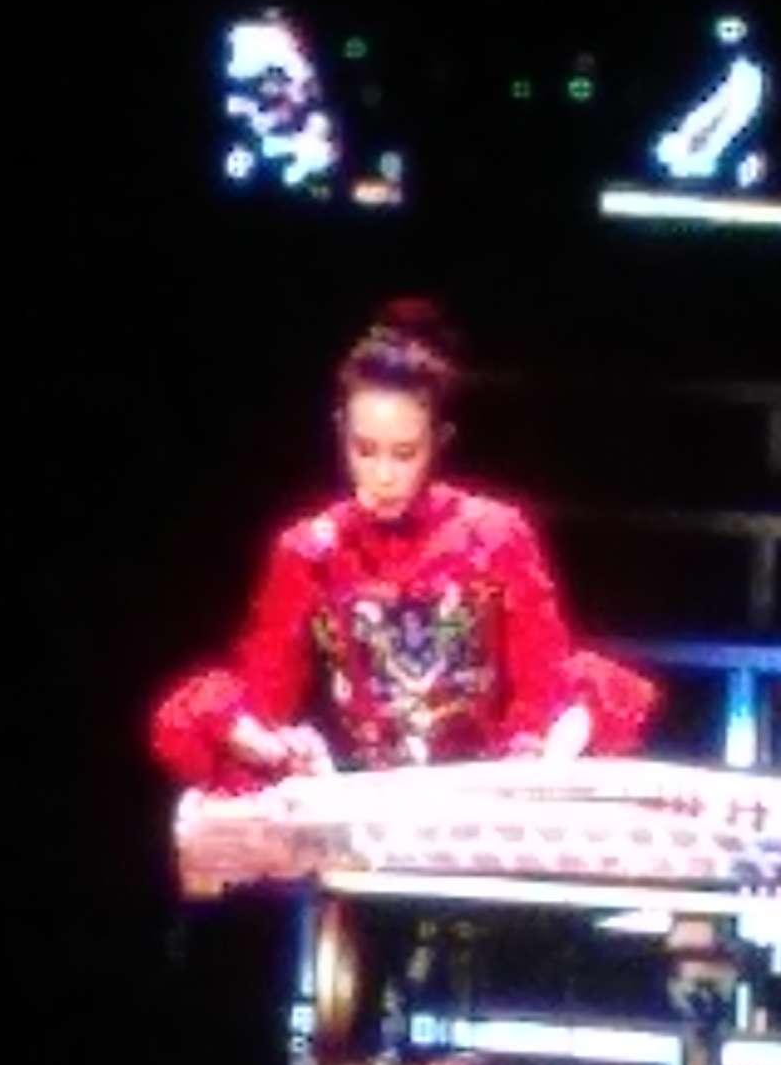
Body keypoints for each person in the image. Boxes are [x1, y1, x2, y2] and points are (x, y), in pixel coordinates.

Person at [150, 298, 660, 792]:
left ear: (439, 442)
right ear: (340, 435)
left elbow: (545, 687)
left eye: (404, 453)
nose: (383, 475)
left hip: (486, 793)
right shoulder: (311, 551)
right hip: (369, 801)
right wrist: (276, 749)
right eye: (365, 451)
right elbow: (264, 698)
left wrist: (540, 761)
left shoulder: (494, 535)